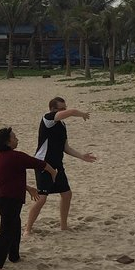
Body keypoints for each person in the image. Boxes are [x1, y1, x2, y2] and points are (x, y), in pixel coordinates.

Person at [24, 97, 97, 236]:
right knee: (42, 198)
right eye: (62, 108)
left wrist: (82, 156)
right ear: (53, 109)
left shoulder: (62, 125)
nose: (65, 111)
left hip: (57, 164)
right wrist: (81, 114)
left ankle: (64, 226)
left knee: (67, 194)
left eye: (65, 107)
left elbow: (66, 147)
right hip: (43, 163)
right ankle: (27, 229)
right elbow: (72, 112)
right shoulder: (48, 119)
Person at [0, 127, 57, 270]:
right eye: (14, 137)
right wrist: (53, 173)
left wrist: (27, 188)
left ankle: (14, 256)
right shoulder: (15, 156)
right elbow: (39, 163)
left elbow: (8, 178)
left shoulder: (0, 157)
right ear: (7, 142)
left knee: (14, 225)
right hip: (8, 199)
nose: (17, 139)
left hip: (3, 198)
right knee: (6, 230)